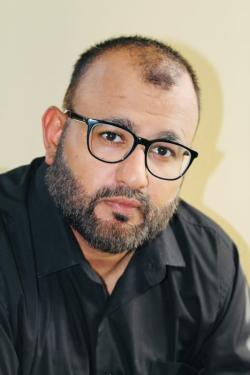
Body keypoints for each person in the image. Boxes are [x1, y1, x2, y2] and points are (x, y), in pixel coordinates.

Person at [0, 35, 249, 375]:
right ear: (55, 135)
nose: (134, 178)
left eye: (163, 151)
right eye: (112, 136)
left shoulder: (213, 265)